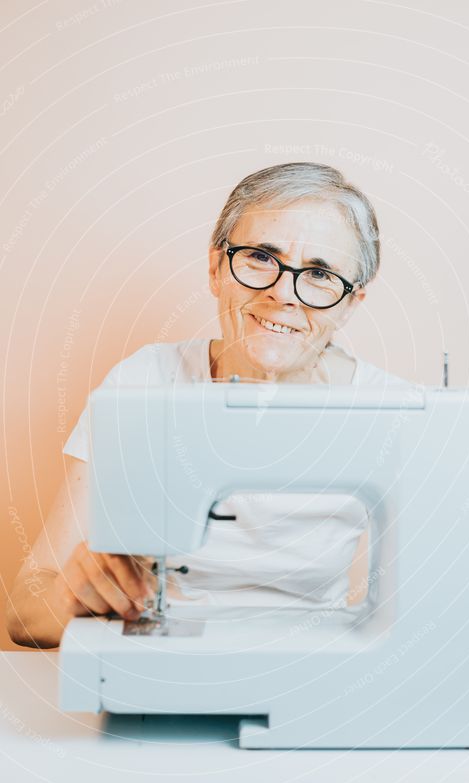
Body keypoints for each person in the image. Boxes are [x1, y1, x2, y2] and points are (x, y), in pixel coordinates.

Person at [6, 162, 413, 649]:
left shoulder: (394, 416)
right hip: (162, 662)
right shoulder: (145, 384)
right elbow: (24, 617)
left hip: (305, 670)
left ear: (351, 301)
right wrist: (74, 595)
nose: (283, 293)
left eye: (321, 273)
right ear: (216, 268)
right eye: (261, 256)